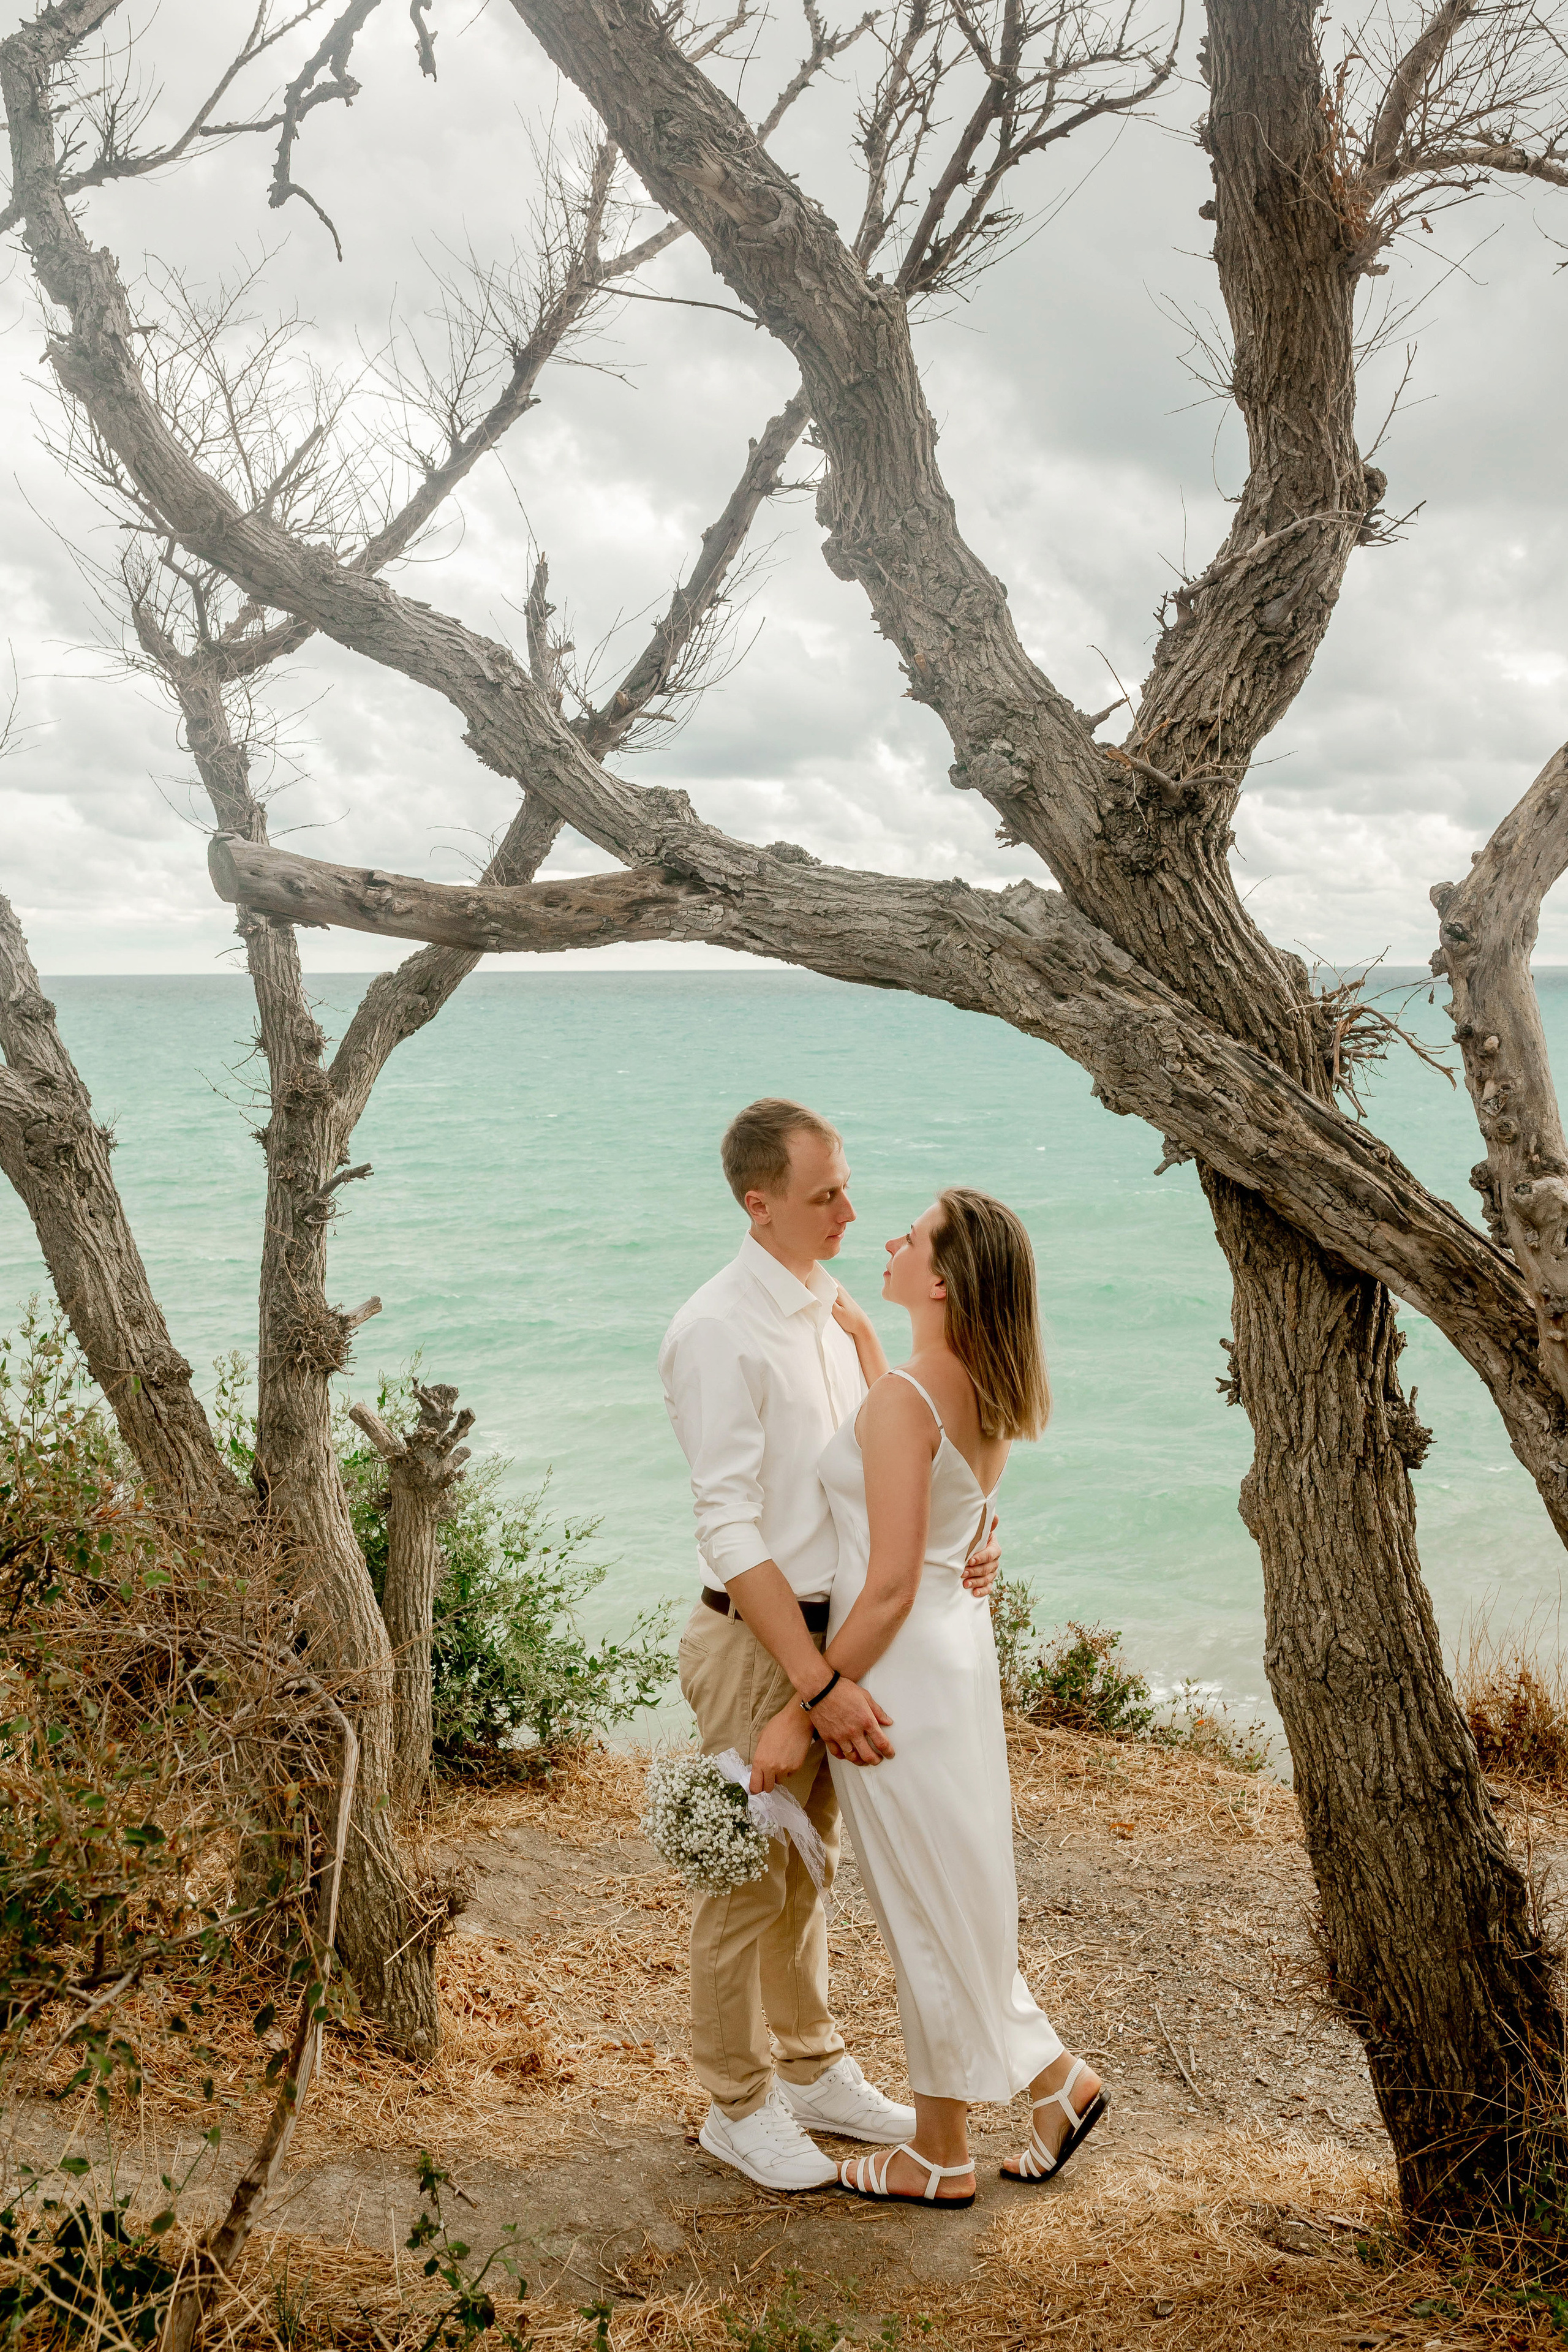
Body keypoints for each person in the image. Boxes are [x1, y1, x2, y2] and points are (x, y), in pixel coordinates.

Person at [660, 1102, 1001, 2192]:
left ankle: (811, 2071)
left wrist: (973, 1536)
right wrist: (811, 1684)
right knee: (743, 1883)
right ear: (758, 1206)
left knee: (811, 1876)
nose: (851, 1211)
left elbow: (898, 1469)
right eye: (825, 1197)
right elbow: (729, 1523)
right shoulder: (716, 1330)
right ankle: (737, 2102)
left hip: (845, 1640)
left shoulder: (832, 1308)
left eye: (849, 1187)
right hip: (760, 1644)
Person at [751, 1188, 1106, 2206]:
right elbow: (926, 1482)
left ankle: (948, 2150)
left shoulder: (911, 1397)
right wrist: (868, 1342)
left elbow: (892, 1579)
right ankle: (1036, 2093)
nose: (890, 1241)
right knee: (954, 1893)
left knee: (924, 1900)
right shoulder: (973, 1382)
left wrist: (811, 1698)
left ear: (942, 1279)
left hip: (896, 1664)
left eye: (911, 1237)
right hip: (954, 1653)